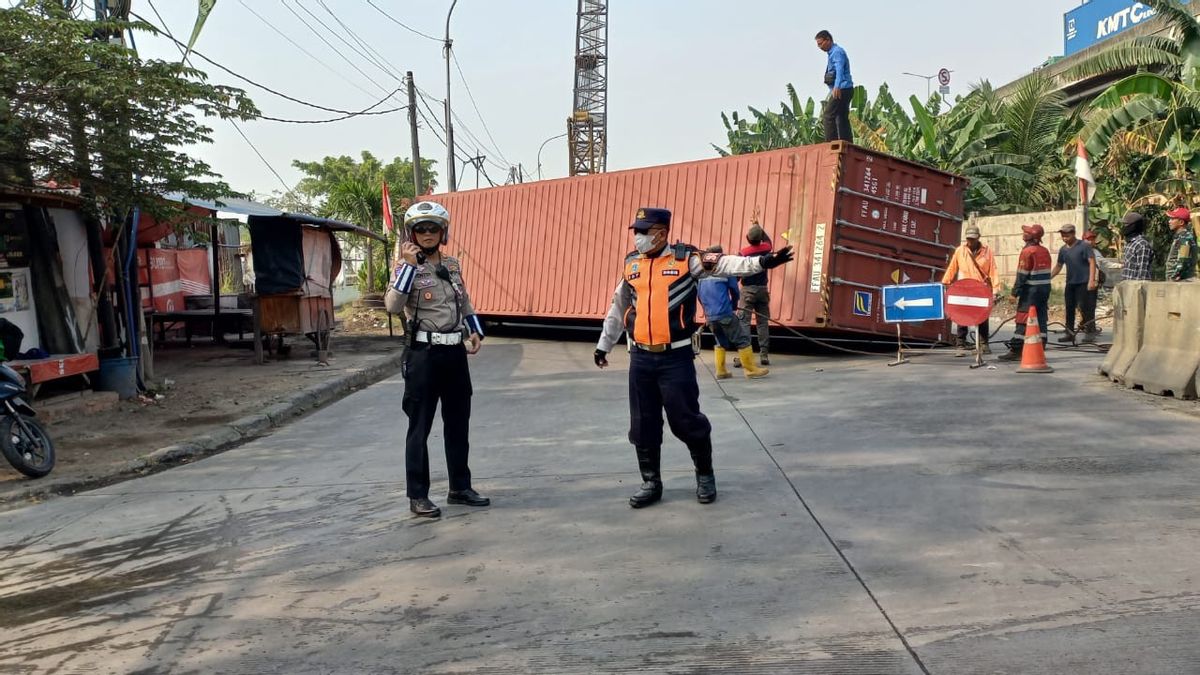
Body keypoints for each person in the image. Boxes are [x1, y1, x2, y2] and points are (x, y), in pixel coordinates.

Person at [594, 207, 794, 508]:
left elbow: (725, 264)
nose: (638, 237)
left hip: (676, 359)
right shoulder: (631, 264)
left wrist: (762, 261)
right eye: (636, 231)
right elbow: (617, 305)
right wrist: (604, 345)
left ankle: (705, 475)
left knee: (685, 420)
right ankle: (651, 481)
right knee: (642, 424)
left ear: (661, 233)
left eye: (643, 232)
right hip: (641, 359)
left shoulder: (687, 260)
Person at [385, 201, 488, 518]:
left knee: (458, 424)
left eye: (433, 228)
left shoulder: (453, 265)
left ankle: (460, 487)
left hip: (454, 353)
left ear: (443, 231)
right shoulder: (405, 269)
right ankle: (418, 495)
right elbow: (392, 305)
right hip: (423, 356)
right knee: (420, 427)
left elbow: (464, 302)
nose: (427, 234)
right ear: (411, 233)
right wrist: (409, 267)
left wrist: (475, 332)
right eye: (421, 229)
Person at [697, 245, 769, 380]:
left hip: (711, 316)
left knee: (720, 341)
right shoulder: (724, 269)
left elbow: (700, 296)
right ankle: (750, 369)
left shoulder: (702, 274)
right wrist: (734, 306)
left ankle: (721, 370)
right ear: (720, 256)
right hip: (724, 313)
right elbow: (735, 291)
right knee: (742, 339)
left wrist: (707, 313)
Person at [941, 225, 999, 353]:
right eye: (968, 239)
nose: (970, 241)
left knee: (982, 316)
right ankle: (960, 344)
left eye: (973, 239)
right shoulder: (960, 251)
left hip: (981, 290)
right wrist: (946, 282)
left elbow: (993, 270)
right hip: (964, 288)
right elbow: (952, 267)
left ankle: (983, 344)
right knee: (962, 316)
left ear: (978, 238)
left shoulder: (987, 251)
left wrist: (995, 290)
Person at [999, 224, 1052, 362]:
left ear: (1030, 236)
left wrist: (1014, 293)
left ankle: (1017, 349)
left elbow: (1022, 275)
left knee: (1023, 318)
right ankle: (1041, 347)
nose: (1023, 234)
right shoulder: (1045, 251)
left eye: (1026, 232)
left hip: (1031, 292)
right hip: (1044, 290)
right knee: (1041, 317)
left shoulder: (1027, 252)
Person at [1050, 224, 1098, 343]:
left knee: (1085, 308)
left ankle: (1090, 333)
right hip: (1071, 283)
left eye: (1067, 235)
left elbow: (1092, 262)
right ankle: (1070, 333)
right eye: (1063, 235)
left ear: (1073, 233)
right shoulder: (1063, 250)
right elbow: (1059, 266)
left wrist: (1091, 280)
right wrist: (1048, 277)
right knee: (1069, 308)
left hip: (1084, 282)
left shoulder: (1084, 246)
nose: (1064, 237)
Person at [737, 224, 773, 366]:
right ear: (760, 239)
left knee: (744, 323)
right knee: (762, 323)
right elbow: (768, 240)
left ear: (748, 239)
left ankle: (744, 357)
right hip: (762, 290)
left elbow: (738, 272)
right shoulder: (766, 249)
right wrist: (758, 226)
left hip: (748, 291)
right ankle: (764, 355)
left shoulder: (743, 253)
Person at [815, 30, 854, 143]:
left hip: (842, 88)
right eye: (818, 44)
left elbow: (840, 69)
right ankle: (846, 142)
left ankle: (831, 143)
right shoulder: (832, 53)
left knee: (828, 115)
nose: (819, 47)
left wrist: (837, 87)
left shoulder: (837, 52)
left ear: (828, 40)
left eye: (821, 43)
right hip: (845, 88)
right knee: (841, 117)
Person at [1164, 206, 1197, 282]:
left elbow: (1183, 261)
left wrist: (1174, 277)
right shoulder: (1181, 237)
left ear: (1181, 222)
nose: (1169, 221)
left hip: (1179, 282)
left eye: (1172, 219)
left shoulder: (1185, 238)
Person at [1121, 211, 1153, 281]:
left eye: (1126, 224)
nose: (1124, 227)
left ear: (1134, 226)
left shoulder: (1141, 245)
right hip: (1127, 287)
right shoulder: (1129, 243)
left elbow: (1143, 272)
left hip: (1136, 288)